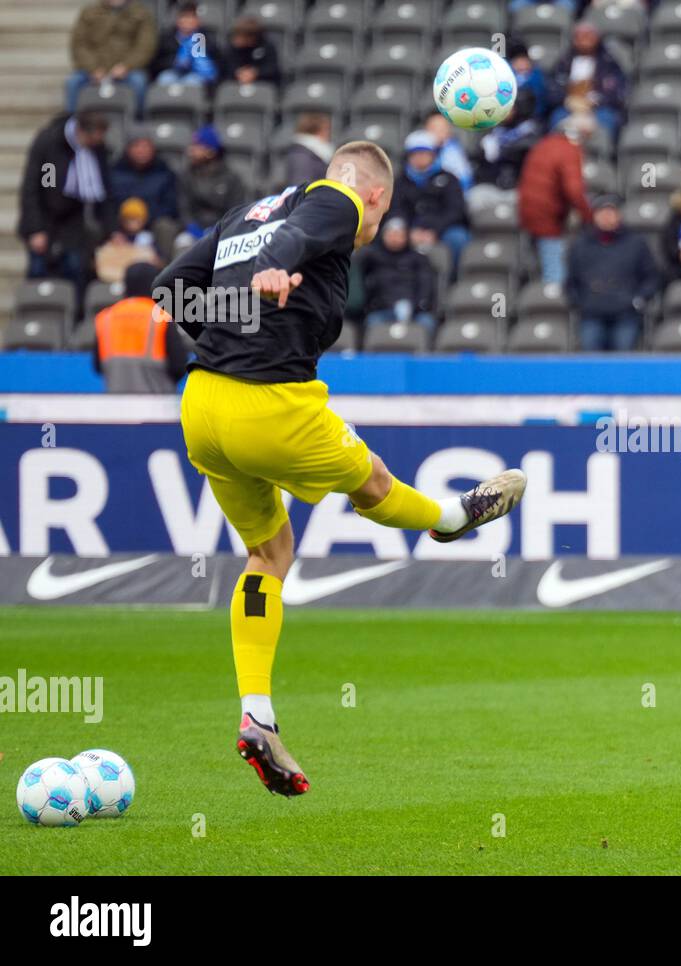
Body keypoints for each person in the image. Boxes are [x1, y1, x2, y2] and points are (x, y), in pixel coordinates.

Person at [151, 141, 527, 796]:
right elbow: (303, 233)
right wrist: (274, 271)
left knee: (268, 553)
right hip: (270, 405)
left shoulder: (242, 217)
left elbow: (168, 293)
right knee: (374, 482)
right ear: (377, 196)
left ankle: (257, 713)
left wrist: (237, 314)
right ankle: (450, 518)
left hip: (202, 407)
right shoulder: (340, 197)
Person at [19, 110, 111, 290]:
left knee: (75, 270)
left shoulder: (97, 151)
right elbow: (36, 188)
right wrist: (36, 228)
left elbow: (105, 191)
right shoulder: (50, 145)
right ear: (83, 132)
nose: (98, 142)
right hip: (46, 219)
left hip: (74, 220)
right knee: (39, 273)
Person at [565, 194, 661, 351]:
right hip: (591, 313)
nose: (606, 217)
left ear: (619, 215)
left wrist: (638, 300)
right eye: (602, 213)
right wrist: (579, 302)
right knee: (590, 356)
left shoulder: (636, 243)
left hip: (626, 313)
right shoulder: (580, 245)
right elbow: (571, 280)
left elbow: (651, 276)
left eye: (611, 212)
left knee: (622, 356)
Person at [517, 113, 594, 284]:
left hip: (527, 212)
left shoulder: (544, 144)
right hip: (547, 216)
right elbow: (574, 190)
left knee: (538, 260)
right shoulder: (568, 150)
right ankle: (552, 300)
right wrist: (589, 217)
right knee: (554, 269)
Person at [93, 261, 188, 392]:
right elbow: (179, 366)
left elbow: (97, 366)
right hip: (157, 405)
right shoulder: (161, 318)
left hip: (115, 406)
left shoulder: (105, 318)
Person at [391, 129, 471, 271]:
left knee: (458, 238)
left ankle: (454, 280)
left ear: (434, 154)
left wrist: (435, 230)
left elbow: (456, 210)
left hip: (443, 228)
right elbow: (396, 209)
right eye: (415, 153)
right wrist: (407, 230)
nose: (420, 157)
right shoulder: (400, 181)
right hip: (411, 228)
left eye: (424, 153)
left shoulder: (449, 179)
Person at [66, 0, 156, 115]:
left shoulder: (141, 13)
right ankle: (71, 122)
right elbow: (79, 45)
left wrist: (126, 66)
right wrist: (93, 68)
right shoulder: (89, 13)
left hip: (127, 70)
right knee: (73, 82)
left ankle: (138, 121)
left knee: (138, 81)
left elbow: (145, 46)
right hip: (93, 69)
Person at [546, 21, 628, 142]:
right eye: (581, 36)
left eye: (589, 35)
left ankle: (603, 155)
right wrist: (567, 100)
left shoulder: (609, 63)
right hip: (569, 106)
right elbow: (553, 87)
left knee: (608, 120)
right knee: (556, 118)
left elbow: (617, 92)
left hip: (599, 107)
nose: (585, 39)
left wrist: (593, 101)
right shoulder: (564, 62)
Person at [467, 84, 542, 211]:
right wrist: (482, 151)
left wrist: (501, 150)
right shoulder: (493, 130)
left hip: (520, 187)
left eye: (507, 107)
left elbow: (525, 152)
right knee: (474, 198)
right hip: (494, 186)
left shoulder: (532, 129)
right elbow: (475, 156)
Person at [357, 217, 438, 331]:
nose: (394, 238)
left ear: (406, 236)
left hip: (414, 310)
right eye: (391, 234)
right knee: (372, 322)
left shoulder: (418, 259)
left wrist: (416, 305)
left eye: (399, 234)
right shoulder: (372, 258)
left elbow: (425, 285)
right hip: (383, 309)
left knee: (427, 323)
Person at [177, 125, 247, 247]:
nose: (191, 151)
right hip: (193, 231)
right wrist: (193, 229)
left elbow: (235, 210)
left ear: (210, 151)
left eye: (196, 146)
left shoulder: (230, 177)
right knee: (182, 244)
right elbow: (184, 208)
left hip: (223, 231)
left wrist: (218, 230)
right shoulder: (187, 175)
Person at [109, 131, 179, 225]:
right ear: (128, 149)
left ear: (153, 150)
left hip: (153, 222)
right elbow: (109, 204)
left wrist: (146, 218)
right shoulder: (114, 173)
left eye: (146, 147)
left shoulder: (164, 173)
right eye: (136, 146)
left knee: (165, 225)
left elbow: (170, 205)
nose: (141, 151)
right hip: (121, 222)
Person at [151, 1, 223, 88]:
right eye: (184, 17)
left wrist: (199, 62)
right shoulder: (167, 37)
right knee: (165, 79)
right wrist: (174, 62)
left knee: (191, 82)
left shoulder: (207, 37)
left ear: (198, 21)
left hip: (196, 75)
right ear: (178, 20)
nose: (188, 21)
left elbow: (218, 62)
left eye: (191, 17)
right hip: (172, 72)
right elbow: (156, 63)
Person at [94, 196, 160, 283]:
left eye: (135, 218)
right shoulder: (116, 237)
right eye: (128, 218)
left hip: (141, 278)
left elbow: (158, 261)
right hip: (116, 277)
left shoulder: (147, 238)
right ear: (122, 219)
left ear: (143, 220)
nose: (131, 222)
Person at [419, 112, 476, 194]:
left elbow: (465, 182)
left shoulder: (454, 153)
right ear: (425, 129)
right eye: (434, 128)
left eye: (442, 128)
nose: (438, 133)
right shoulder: (416, 148)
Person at [226, 14, 281, 86]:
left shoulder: (267, 46)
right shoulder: (232, 48)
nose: (237, 40)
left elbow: (272, 68)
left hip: (262, 83)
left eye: (241, 36)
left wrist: (255, 73)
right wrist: (239, 73)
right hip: (236, 82)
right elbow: (227, 67)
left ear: (251, 38)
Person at [283, 112, 333, 187]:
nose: (328, 134)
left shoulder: (308, 153)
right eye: (326, 130)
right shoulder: (302, 157)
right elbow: (301, 189)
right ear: (319, 131)